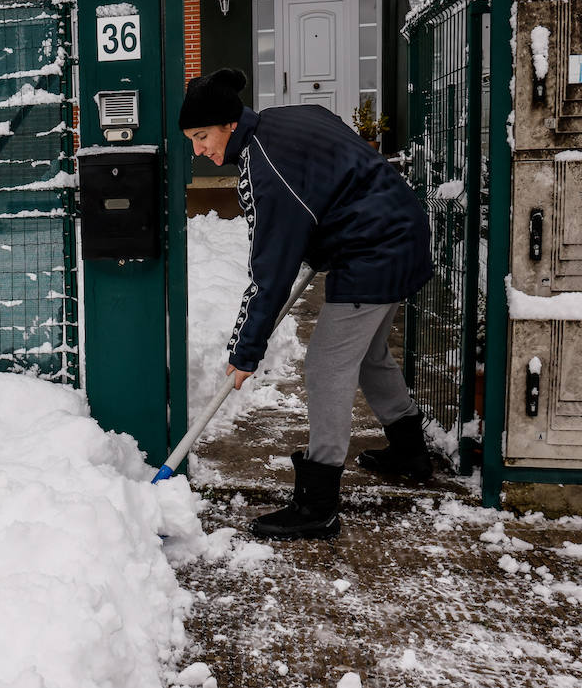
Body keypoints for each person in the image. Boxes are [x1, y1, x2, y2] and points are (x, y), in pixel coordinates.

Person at [180, 68, 434, 541]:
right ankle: (410, 451)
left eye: (202, 136)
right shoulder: (287, 118)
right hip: (400, 230)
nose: (198, 149)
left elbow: (268, 273)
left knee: (325, 366)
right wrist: (324, 232)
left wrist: (245, 350)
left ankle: (318, 502)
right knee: (370, 356)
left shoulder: (263, 168)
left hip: (373, 252)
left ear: (230, 125)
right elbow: (332, 155)